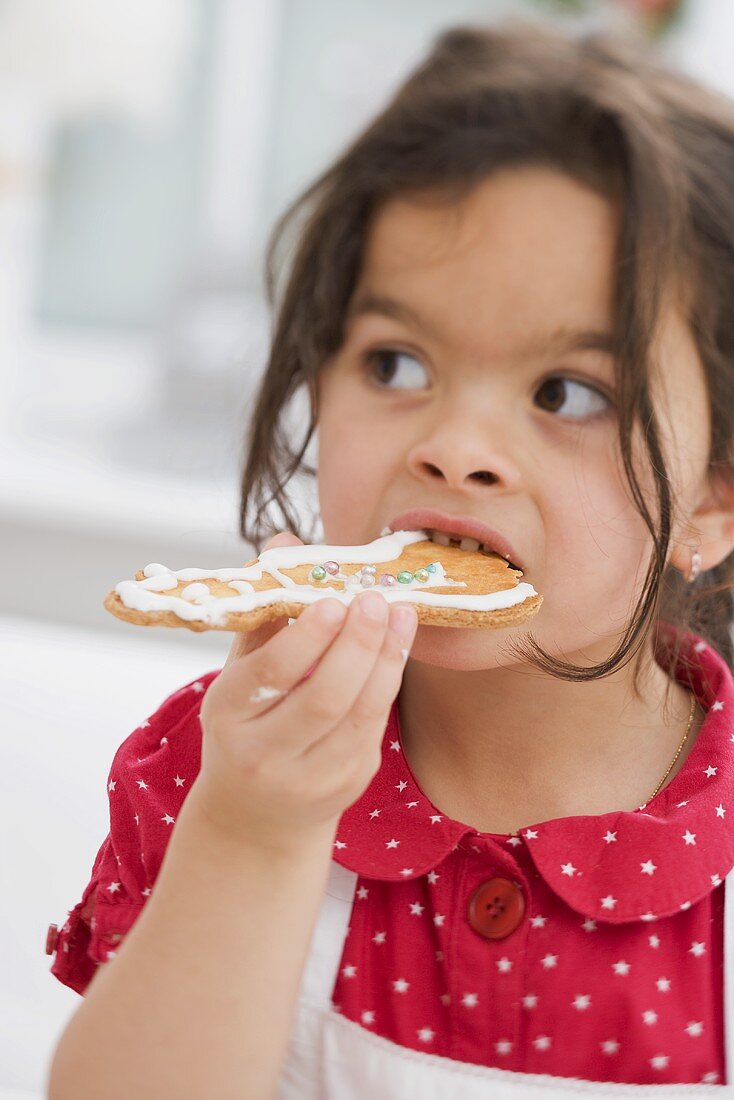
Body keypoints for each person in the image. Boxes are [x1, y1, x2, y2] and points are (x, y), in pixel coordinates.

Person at [46, 20, 734, 1099]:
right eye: (395, 361)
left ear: (713, 494)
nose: (453, 447)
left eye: (567, 392)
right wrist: (251, 830)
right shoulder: (214, 763)